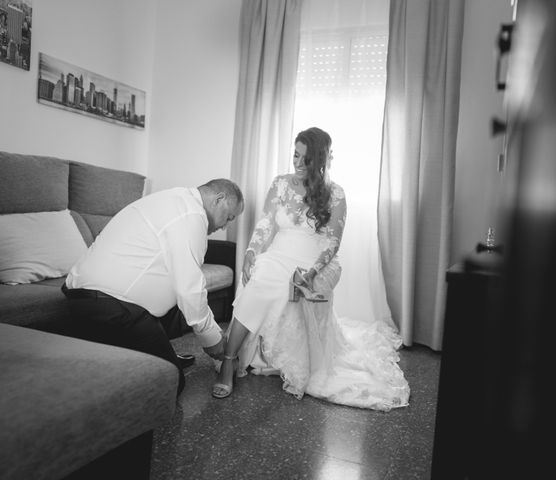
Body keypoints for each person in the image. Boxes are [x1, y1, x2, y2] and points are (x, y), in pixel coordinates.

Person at [212, 127, 410, 411]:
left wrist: (313, 272)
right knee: (260, 280)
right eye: (295, 155)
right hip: (278, 253)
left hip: (309, 260)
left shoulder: (336, 194)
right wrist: (251, 251)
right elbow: (267, 223)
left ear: (321, 161)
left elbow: (332, 242)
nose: (298, 163)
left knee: (285, 286)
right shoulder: (280, 184)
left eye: (306, 158)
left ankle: (269, 357)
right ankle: (229, 361)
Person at [62, 178, 244, 397]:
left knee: (174, 306)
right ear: (219, 199)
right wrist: (212, 340)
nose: (225, 225)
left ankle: (152, 354)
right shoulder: (191, 216)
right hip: (111, 308)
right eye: (229, 217)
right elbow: (189, 288)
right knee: (170, 384)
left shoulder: (174, 198)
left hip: (81, 297)